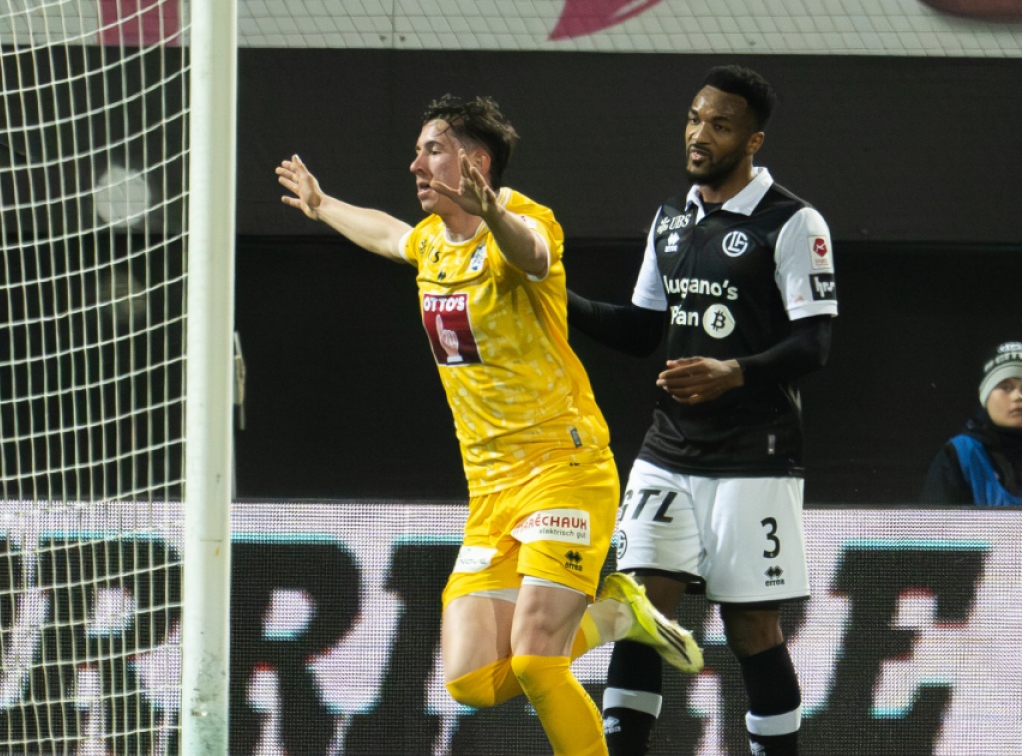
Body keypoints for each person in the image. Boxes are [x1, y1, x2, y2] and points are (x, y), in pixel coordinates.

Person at [276, 95, 701, 756]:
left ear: (475, 163)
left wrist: (494, 212)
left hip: (563, 469)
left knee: (535, 662)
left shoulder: (524, 219)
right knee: (471, 680)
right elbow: (389, 235)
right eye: (417, 151)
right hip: (491, 492)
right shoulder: (432, 244)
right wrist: (322, 203)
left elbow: (532, 256)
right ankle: (619, 613)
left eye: (433, 150)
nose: (416, 164)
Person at [565, 66, 837, 756]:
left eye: (720, 124)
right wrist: (552, 301)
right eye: (694, 118)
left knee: (752, 631)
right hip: (668, 451)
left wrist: (734, 372)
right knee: (637, 616)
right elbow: (640, 329)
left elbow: (815, 342)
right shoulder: (671, 218)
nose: (699, 133)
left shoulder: (792, 221)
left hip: (754, 456)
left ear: (753, 140)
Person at [921, 342, 1022, 505]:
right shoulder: (961, 454)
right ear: (985, 396)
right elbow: (936, 521)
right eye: (1006, 387)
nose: (1018, 396)